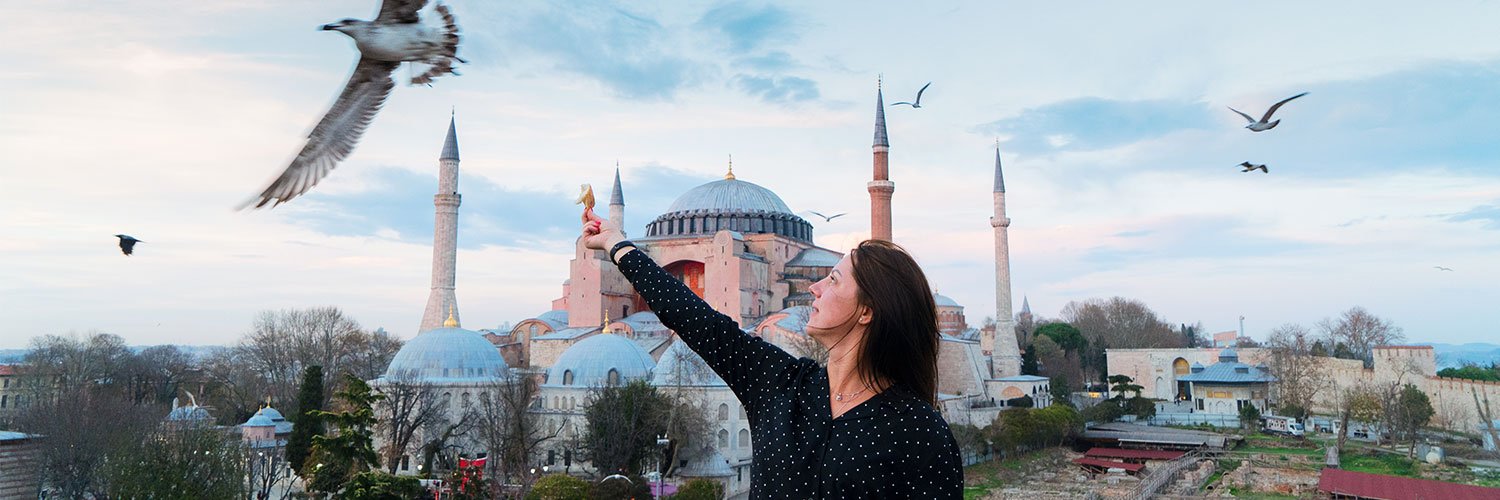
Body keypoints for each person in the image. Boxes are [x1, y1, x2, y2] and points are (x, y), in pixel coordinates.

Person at [583, 213, 962, 498]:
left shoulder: (918, 431)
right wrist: (618, 245)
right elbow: (695, 318)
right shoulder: (782, 386)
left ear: (867, 311)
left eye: (833, 281)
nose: (814, 288)